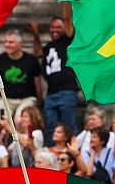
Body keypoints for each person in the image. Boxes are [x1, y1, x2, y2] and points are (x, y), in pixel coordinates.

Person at [29, 11, 79, 145]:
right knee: (51, 128)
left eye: (58, 27)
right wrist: (35, 32)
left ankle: (72, 154)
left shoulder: (68, 42)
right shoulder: (50, 46)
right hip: (51, 94)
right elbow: (38, 53)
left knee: (69, 127)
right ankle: (52, 156)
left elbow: (68, 19)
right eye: (52, 27)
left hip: (67, 91)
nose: (55, 30)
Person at [0, 29, 42, 119]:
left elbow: (38, 84)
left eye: (11, 42)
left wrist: (39, 104)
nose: (7, 45)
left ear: (20, 44)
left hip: (27, 99)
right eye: (6, 42)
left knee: (20, 120)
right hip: (6, 100)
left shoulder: (31, 60)